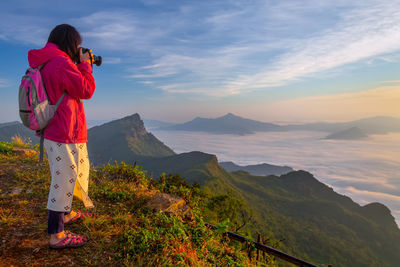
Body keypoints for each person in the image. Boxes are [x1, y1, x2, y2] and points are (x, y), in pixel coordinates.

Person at [28, 24, 96, 249]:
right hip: (64, 132)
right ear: (70, 43)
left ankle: (65, 215)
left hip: (59, 131)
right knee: (61, 182)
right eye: (77, 44)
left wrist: (78, 64)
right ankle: (57, 235)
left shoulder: (49, 61)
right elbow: (86, 90)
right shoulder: (60, 63)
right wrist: (85, 65)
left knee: (68, 176)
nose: (78, 48)